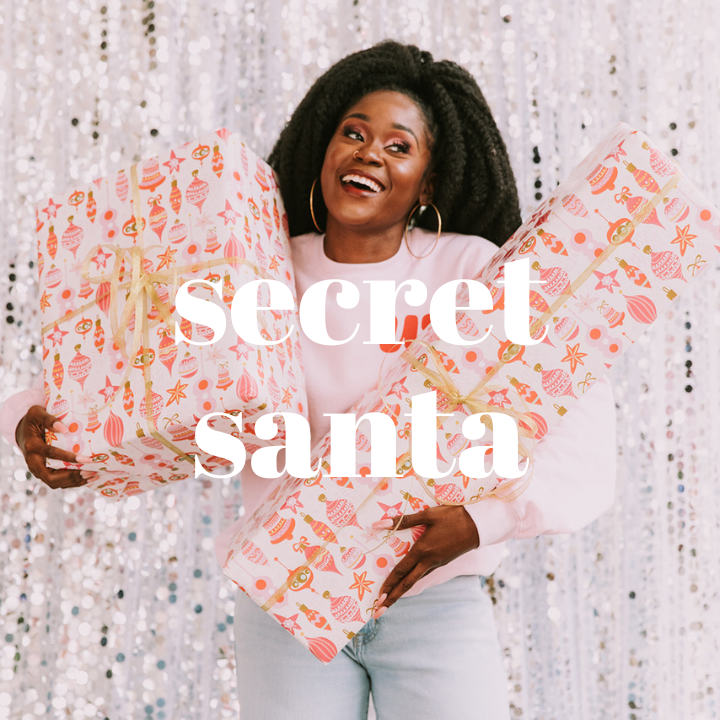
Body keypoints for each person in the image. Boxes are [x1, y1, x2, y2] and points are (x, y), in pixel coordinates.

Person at [1, 41, 616, 720]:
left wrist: (482, 522)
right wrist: (35, 418)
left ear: (430, 183)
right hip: (286, 605)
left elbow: (576, 427)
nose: (369, 152)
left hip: (434, 601)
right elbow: (131, 365)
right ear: (322, 148)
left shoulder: (472, 271)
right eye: (353, 132)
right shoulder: (256, 265)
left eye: (398, 145)